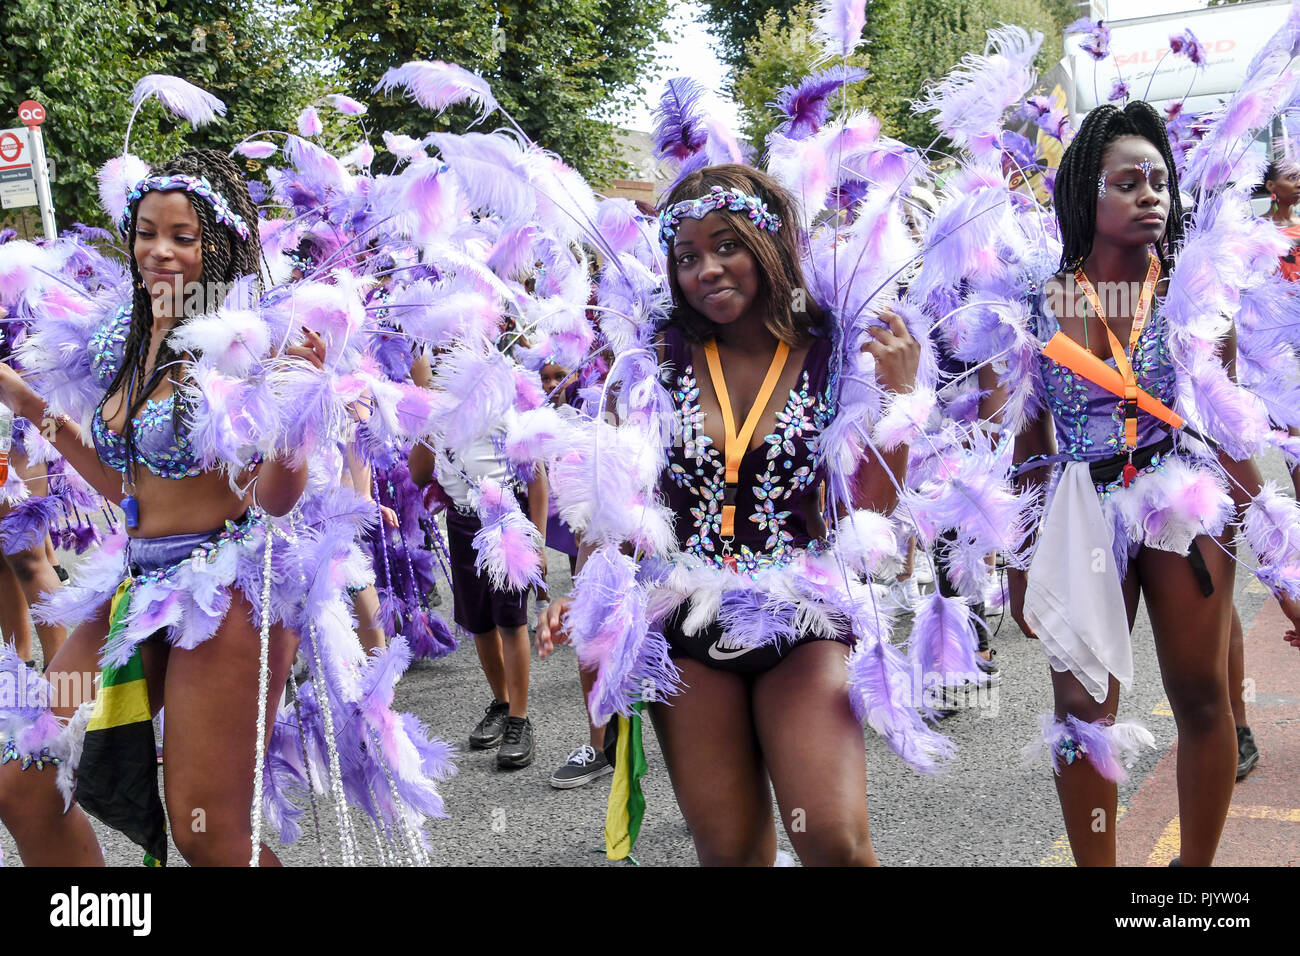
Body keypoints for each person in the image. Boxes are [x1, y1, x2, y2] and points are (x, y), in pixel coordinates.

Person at [538, 164, 925, 865]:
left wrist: (900, 404)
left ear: (767, 241)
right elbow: (630, 497)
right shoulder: (658, 354)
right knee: (731, 854)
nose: (707, 269)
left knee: (832, 838)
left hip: (805, 614)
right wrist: (591, 586)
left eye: (726, 245)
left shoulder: (835, 349)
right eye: (686, 257)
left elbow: (872, 511)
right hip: (686, 616)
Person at [1008, 101, 1300, 866]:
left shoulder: (1192, 297)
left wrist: (1283, 569)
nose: (1150, 195)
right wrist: (1016, 559)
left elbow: (1229, 432)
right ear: (1084, 196)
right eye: (1127, 181)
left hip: (1182, 501)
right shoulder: (1044, 301)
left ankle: (1191, 879)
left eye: (1159, 181)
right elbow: (1027, 442)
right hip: (1079, 509)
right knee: (1080, 713)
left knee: (1203, 697)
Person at [409, 354, 549, 770]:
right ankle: (503, 704)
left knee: (510, 620)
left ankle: (520, 720)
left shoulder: (500, 408)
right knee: (479, 623)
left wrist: (536, 540)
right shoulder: (438, 416)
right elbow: (419, 476)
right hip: (461, 522)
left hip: (504, 521)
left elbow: (536, 477)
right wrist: (422, 422)